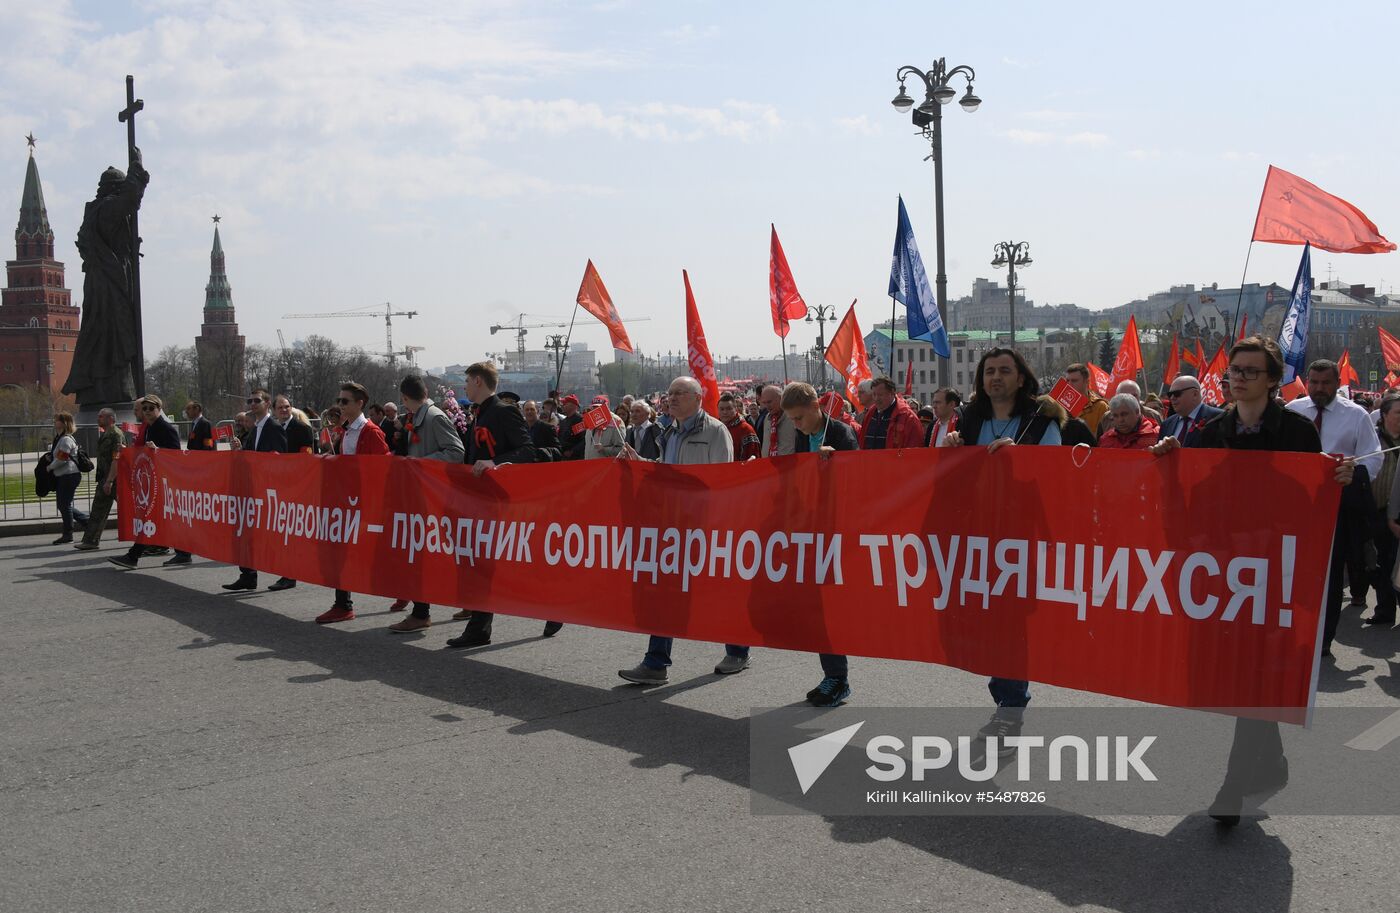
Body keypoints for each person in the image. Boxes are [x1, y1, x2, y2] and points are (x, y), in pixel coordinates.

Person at [1150, 336, 1354, 826]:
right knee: (1240, 674)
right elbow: (1191, 500)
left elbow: (1310, 500)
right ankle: (1272, 762)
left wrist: (1340, 479)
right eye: (1234, 371)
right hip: (1226, 571)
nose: (1238, 378)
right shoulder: (1209, 432)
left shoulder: (1297, 432)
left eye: (1249, 371)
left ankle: (1233, 783)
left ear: (1273, 379)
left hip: (1278, 570)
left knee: (1258, 671)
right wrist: (1170, 459)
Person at [942, 348, 1062, 748]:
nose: (996, 377)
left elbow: (1055, 476)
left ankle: (1011, 709)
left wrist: (1020, 459)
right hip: (978, 539)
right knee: (991, 624)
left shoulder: (1041, 421)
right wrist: (951, 448)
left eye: (1005, 371)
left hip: (1021, 540)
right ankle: (1006, 700)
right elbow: (951, 480)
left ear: (1021, 378)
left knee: (1011, 627)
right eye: (989, 371)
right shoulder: (969, 419)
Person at [617, 376, 746, 684]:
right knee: (666, 591)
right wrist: (640, 462)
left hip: (704, 524)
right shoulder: (669, 432)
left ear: (697, 399)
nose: (671, 398)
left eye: (679, 393)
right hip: (673, 523)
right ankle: (656, 662)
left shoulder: (716, 431)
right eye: (670, 393)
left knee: (716, 590)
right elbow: (665, 472)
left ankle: (738, 650)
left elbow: (723, 480)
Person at [446, 362, 559, 647]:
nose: (464, 387)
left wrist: (494, 463)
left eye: (467, 382)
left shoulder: (503, 410)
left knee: (515, 562)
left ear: (479, 381)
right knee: (483, 563)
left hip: (506, 500)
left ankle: (553, 605)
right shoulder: (479, 414)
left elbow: (527, 450)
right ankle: (479, 629)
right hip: (483, 499)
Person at [1284, 358, 1383, 654]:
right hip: (1294, 509)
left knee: (1329, 573)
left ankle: (1323, 638)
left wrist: (1353, 474)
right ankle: (1293, 631)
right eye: (1314, 382)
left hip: (1335, 508)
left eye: (1325, 383)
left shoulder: (1356, 415)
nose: (1319, 388)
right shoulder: (1292, 411)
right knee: (1292, 571)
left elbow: (1374, 456)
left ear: (1337, 383)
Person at [783, 382, 859, 705]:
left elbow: (858, 477)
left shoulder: (841, 433)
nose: (796, 424)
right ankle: (833, 675)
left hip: (838, 532)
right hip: (812, 530)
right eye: (792, 420)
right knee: (818, 609)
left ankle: (838, 678)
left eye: (799, 418)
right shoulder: (802, 435)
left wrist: (836, 463)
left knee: (831, 608)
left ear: (816, 406)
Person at [388, 375, 467, 633]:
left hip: (434, 496)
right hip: (424, 495)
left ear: (405, 397)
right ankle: (462, 603)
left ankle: (422, 613)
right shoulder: (422, 416)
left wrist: (422, 463)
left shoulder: (433, 417)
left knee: (424, 555)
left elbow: (456, 452)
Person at [318, 382, 391, 624]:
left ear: (360, 404)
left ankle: (407, 594)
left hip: (366, 503)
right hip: (348, 502)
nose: (340, 405)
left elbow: (383, 468)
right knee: (341, 551)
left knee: (380, 554)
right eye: (339, 400)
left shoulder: (371, 431)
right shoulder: (345, 430)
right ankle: (343, 604)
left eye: (345, 401)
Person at [108, 395, 192, 569]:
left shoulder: (166, 428)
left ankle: (134, 556)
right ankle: (182, 553)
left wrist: (158, 450)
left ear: (159, 409)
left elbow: (175, 454)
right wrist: (127, 451)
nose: (147, 412)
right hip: (153, 479)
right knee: (161, 518)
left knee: (153, 517)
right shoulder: (149, 427)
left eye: (151, 408)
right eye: (144, 408)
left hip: (165, 481)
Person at [223, 389, 291, 591]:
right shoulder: (254, 428)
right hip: (253, 488)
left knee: (274, 535)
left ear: (267, 403)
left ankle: (288, 574)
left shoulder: (274, 427)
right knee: (246, 532)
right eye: (250, 401)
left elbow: (280, 458)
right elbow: (251, 456)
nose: (252, 404)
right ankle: (248, 576)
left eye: (256, 401)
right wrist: (240, 450)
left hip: (269, 490)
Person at [1369, 395, 1400, 629]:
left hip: (1399, 514)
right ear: (1385, 415)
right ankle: (1385, 609)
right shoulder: (1372, 440)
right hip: (1377, 511)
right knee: (1382, 562)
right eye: (1399, 413)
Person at [75, 408, 123, 550]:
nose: (98, 419)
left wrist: (110, 480)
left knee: (129, 511)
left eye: (101, 416)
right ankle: (90, 541)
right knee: (97, 511)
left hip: (114, 479)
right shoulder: (105, 434)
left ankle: (147, 539)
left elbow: (117, 459)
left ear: (110, 418)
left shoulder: (116, 435)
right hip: (104, 478)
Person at [46, 411, 89, 545]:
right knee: (64, 505)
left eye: (57, 420)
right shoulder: (60, 438)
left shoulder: (65, 439)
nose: (54, 422)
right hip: (66, 475)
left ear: (64, 423)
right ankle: (87, 522)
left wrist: (50, 467)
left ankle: (68, 534)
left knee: (64, 505)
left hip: (69, 475)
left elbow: (62, 458)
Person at [858, 376, 924, 450]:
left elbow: (914, 449)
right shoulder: (870, 414)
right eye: (874, 394)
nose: (876, 398)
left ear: (892, 392)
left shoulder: (908, 417)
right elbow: (862, 442)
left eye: (880, 395)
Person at [1160, 376, 1223, 447]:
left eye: (1177, 394)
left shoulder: (1219, 418)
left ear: (1195, 394)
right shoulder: (1167, 424)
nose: (1172, 398)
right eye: (1170, 394)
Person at [1064, 364, 1109, 438]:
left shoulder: (1100, 406)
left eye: (1074, 381)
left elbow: (1106, 437)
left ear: (1087, 382)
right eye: (1067, 380)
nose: (1069, 384)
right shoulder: (1059, 404)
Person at [756, 384, 798, 457]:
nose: (767, 406)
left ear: (781, 398)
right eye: (764, 402)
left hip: (790, 462)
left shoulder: (793, 417)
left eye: (769, 402)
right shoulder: (767, 419)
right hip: (768, 462)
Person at [718, 392, 760, 461]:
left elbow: (753, 459)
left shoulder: (746, 430)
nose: (725, 412)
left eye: (729, 409)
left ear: (735, 409)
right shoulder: (716, 429)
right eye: (722, 409)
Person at [584, 394, 625, 460]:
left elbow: (622, 449)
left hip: (607, 465)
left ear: (607, 407)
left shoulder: (616, 421)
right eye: (594, 407)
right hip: (589, 464)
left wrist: (604, 449)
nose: (596, 409)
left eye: (600, 407)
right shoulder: (590, 420)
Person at [557, 394, 586, 460]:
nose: (562, 405)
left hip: (576, 457)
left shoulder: (579, 420)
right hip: (564, 457)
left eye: (565, 403)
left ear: (573, 405)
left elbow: (584, 440)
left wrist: (572, 451)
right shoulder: (563, 422)